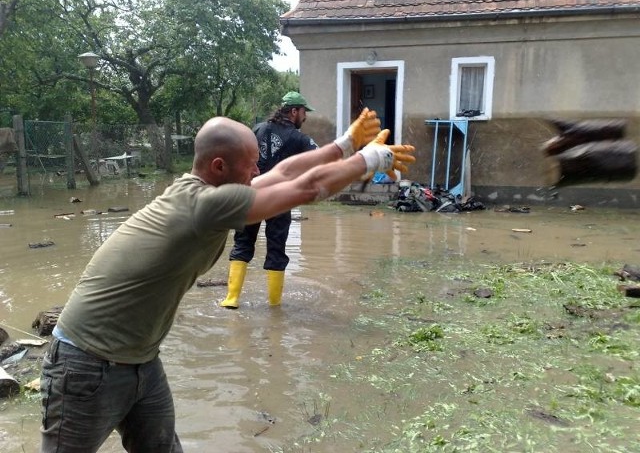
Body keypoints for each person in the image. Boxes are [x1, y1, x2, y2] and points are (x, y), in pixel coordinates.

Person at [39, 109, 415, 453]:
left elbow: (284, 173)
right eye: (251, 166)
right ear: (219, 166)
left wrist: (343, 146)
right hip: (85, 363)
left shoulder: (202, 191)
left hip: (140, 360)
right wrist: (368, 160)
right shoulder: (207, 206)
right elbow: (307, 188)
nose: (257, 172)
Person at [220, 91, 319, 309]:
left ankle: (232, 298)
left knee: (242, 243)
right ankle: (274, 306)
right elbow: (319, 159)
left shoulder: (257, 129)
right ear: (294, 111)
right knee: (276, 248)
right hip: (279, 199)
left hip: (250, 195)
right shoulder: (299, 138)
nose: (306, 117)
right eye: (304, 112)